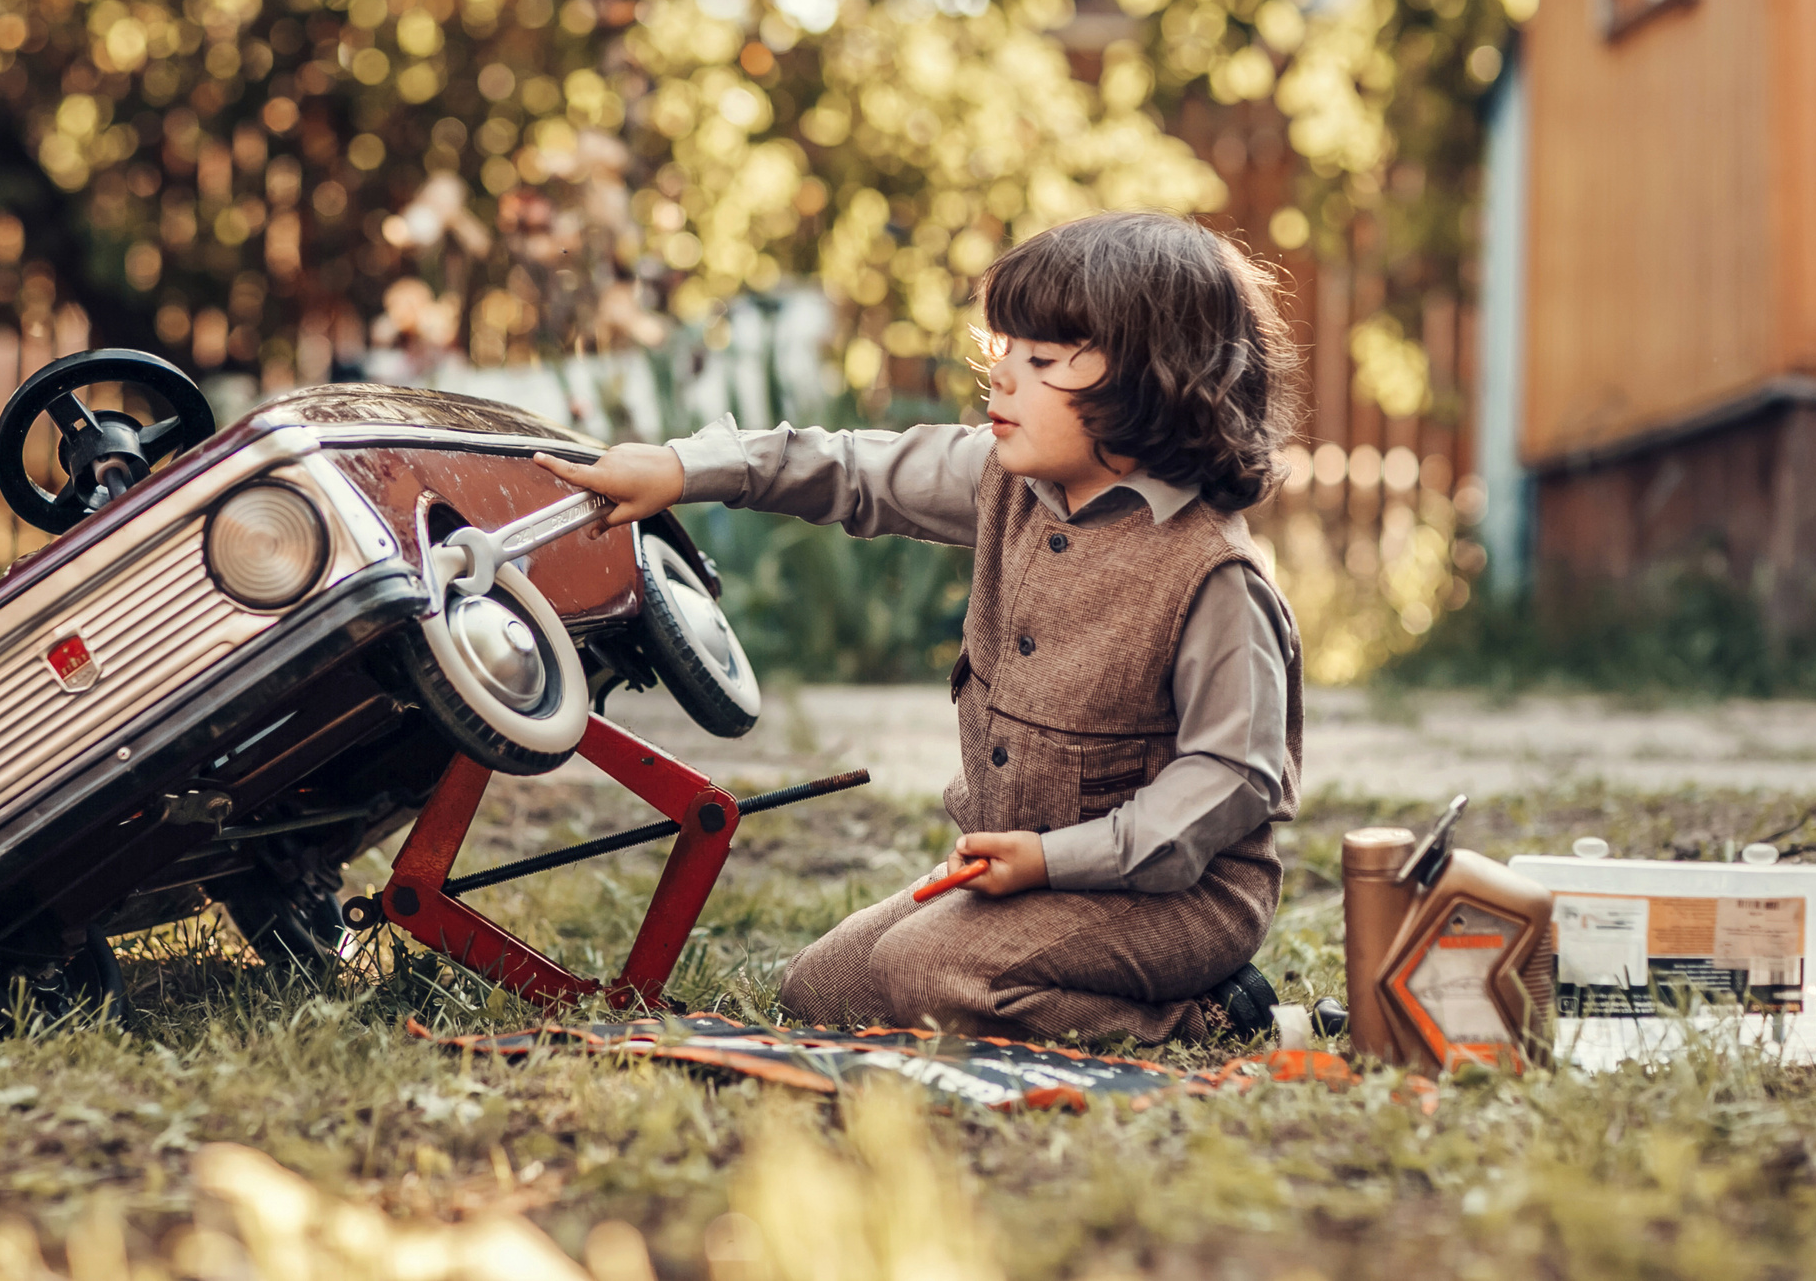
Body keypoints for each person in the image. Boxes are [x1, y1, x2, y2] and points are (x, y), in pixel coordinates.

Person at [539, 210, 1302, 1043]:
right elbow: (851, 468)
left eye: (1042, 360)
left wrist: (1054, 860)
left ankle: (1216, 1013)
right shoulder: (1004, 479)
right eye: (1004, 349)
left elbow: (1230, 780)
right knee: (819, 990)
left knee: (929, 974)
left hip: (1173, 896)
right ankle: (1025, 961)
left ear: (1157, 381)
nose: (1002, 376)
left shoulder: (1214, 575)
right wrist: (684, 468)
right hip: (1027, 872)